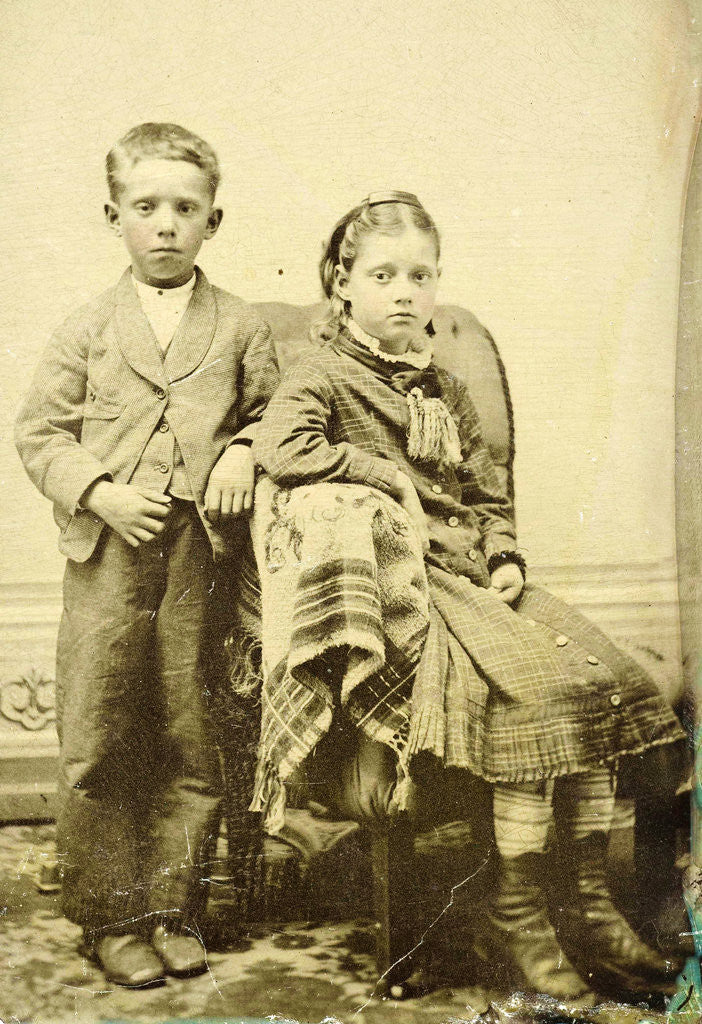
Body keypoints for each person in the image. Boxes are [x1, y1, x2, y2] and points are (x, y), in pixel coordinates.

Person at [251, 191, 686, 1004]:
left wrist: (504, 554)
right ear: (342, 283)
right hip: (414, 590)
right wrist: (383, 475)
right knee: (534, 699)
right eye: (383, 275)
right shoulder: (321, 374)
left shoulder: (446, 387)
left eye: (420, 275)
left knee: (602, 683)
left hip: (479, 579)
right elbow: (283, 448)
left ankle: (590, 905)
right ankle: (519, 915)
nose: (404, 292)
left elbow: (486, 494)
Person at [14, 123, 279, 988]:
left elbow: (277, 415)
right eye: (146, 206)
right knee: (100, 729)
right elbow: (40, 433)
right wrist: (99, 490)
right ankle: (110, 916)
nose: (166, 224)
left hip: (200, 556)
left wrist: (244, 452)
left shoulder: (240, 324)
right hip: (107, 557)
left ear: (213, 221)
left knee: (187, 731)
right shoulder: (88, 326)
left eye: (186, 208)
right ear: (114, 216)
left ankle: (172, 908)